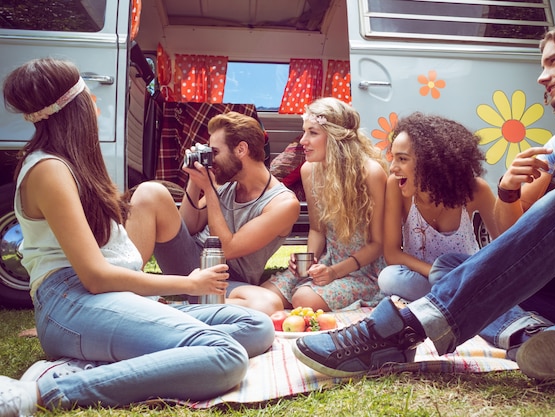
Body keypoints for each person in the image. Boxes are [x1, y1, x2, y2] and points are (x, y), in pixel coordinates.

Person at [291, 12, 555, 381]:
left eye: (552, 61)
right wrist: (509, 191)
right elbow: (520, 242)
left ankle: (400, 331)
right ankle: (535, 335)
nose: (541, 76)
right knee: (453, 266)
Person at [0, 58, 275, 417]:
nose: (96, 103)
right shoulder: (49, 170)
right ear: (78, 106)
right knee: (226, 355)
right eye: (89, 94)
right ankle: (44, 389)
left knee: (256, 327)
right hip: (71, 301)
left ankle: (114, 358)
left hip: (107, 300)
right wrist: (190, 284)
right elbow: (95, 278)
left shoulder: (73, 164)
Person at [127, 111, 301, 315]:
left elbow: (226, 249)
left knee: (268, 303)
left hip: (225, 279)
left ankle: (174, 310)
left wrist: (209, 189)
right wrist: (194, 180)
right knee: (150, 192)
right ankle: (128, 286)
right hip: (191, 262)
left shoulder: (283, 204)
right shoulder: (227, 182)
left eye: (215, 152)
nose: (212, 160)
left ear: (241, 150)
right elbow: (188, 227)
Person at [261, 97, 388, 312]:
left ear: (336, 136)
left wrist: (335, 272)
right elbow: (317, 229)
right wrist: (309, 260)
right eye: (305, 131)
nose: (303, 140)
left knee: (304, 298)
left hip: (364, 270)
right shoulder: (309, 171)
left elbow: (378, 244)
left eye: (313, 132)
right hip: (327, 262)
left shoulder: (371, 173)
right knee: (264, 295)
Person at [378, 112, 499, 302]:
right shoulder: (395, 185)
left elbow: (506, 245)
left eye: (402, 159)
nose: (392, 167)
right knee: (388, 278)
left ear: (430, 161)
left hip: (463, 278)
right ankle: (454, 301)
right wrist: (438, 274)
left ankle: (449, 300)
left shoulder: (475, 190)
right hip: (425, 279)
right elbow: (392, 254)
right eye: (393, 158)